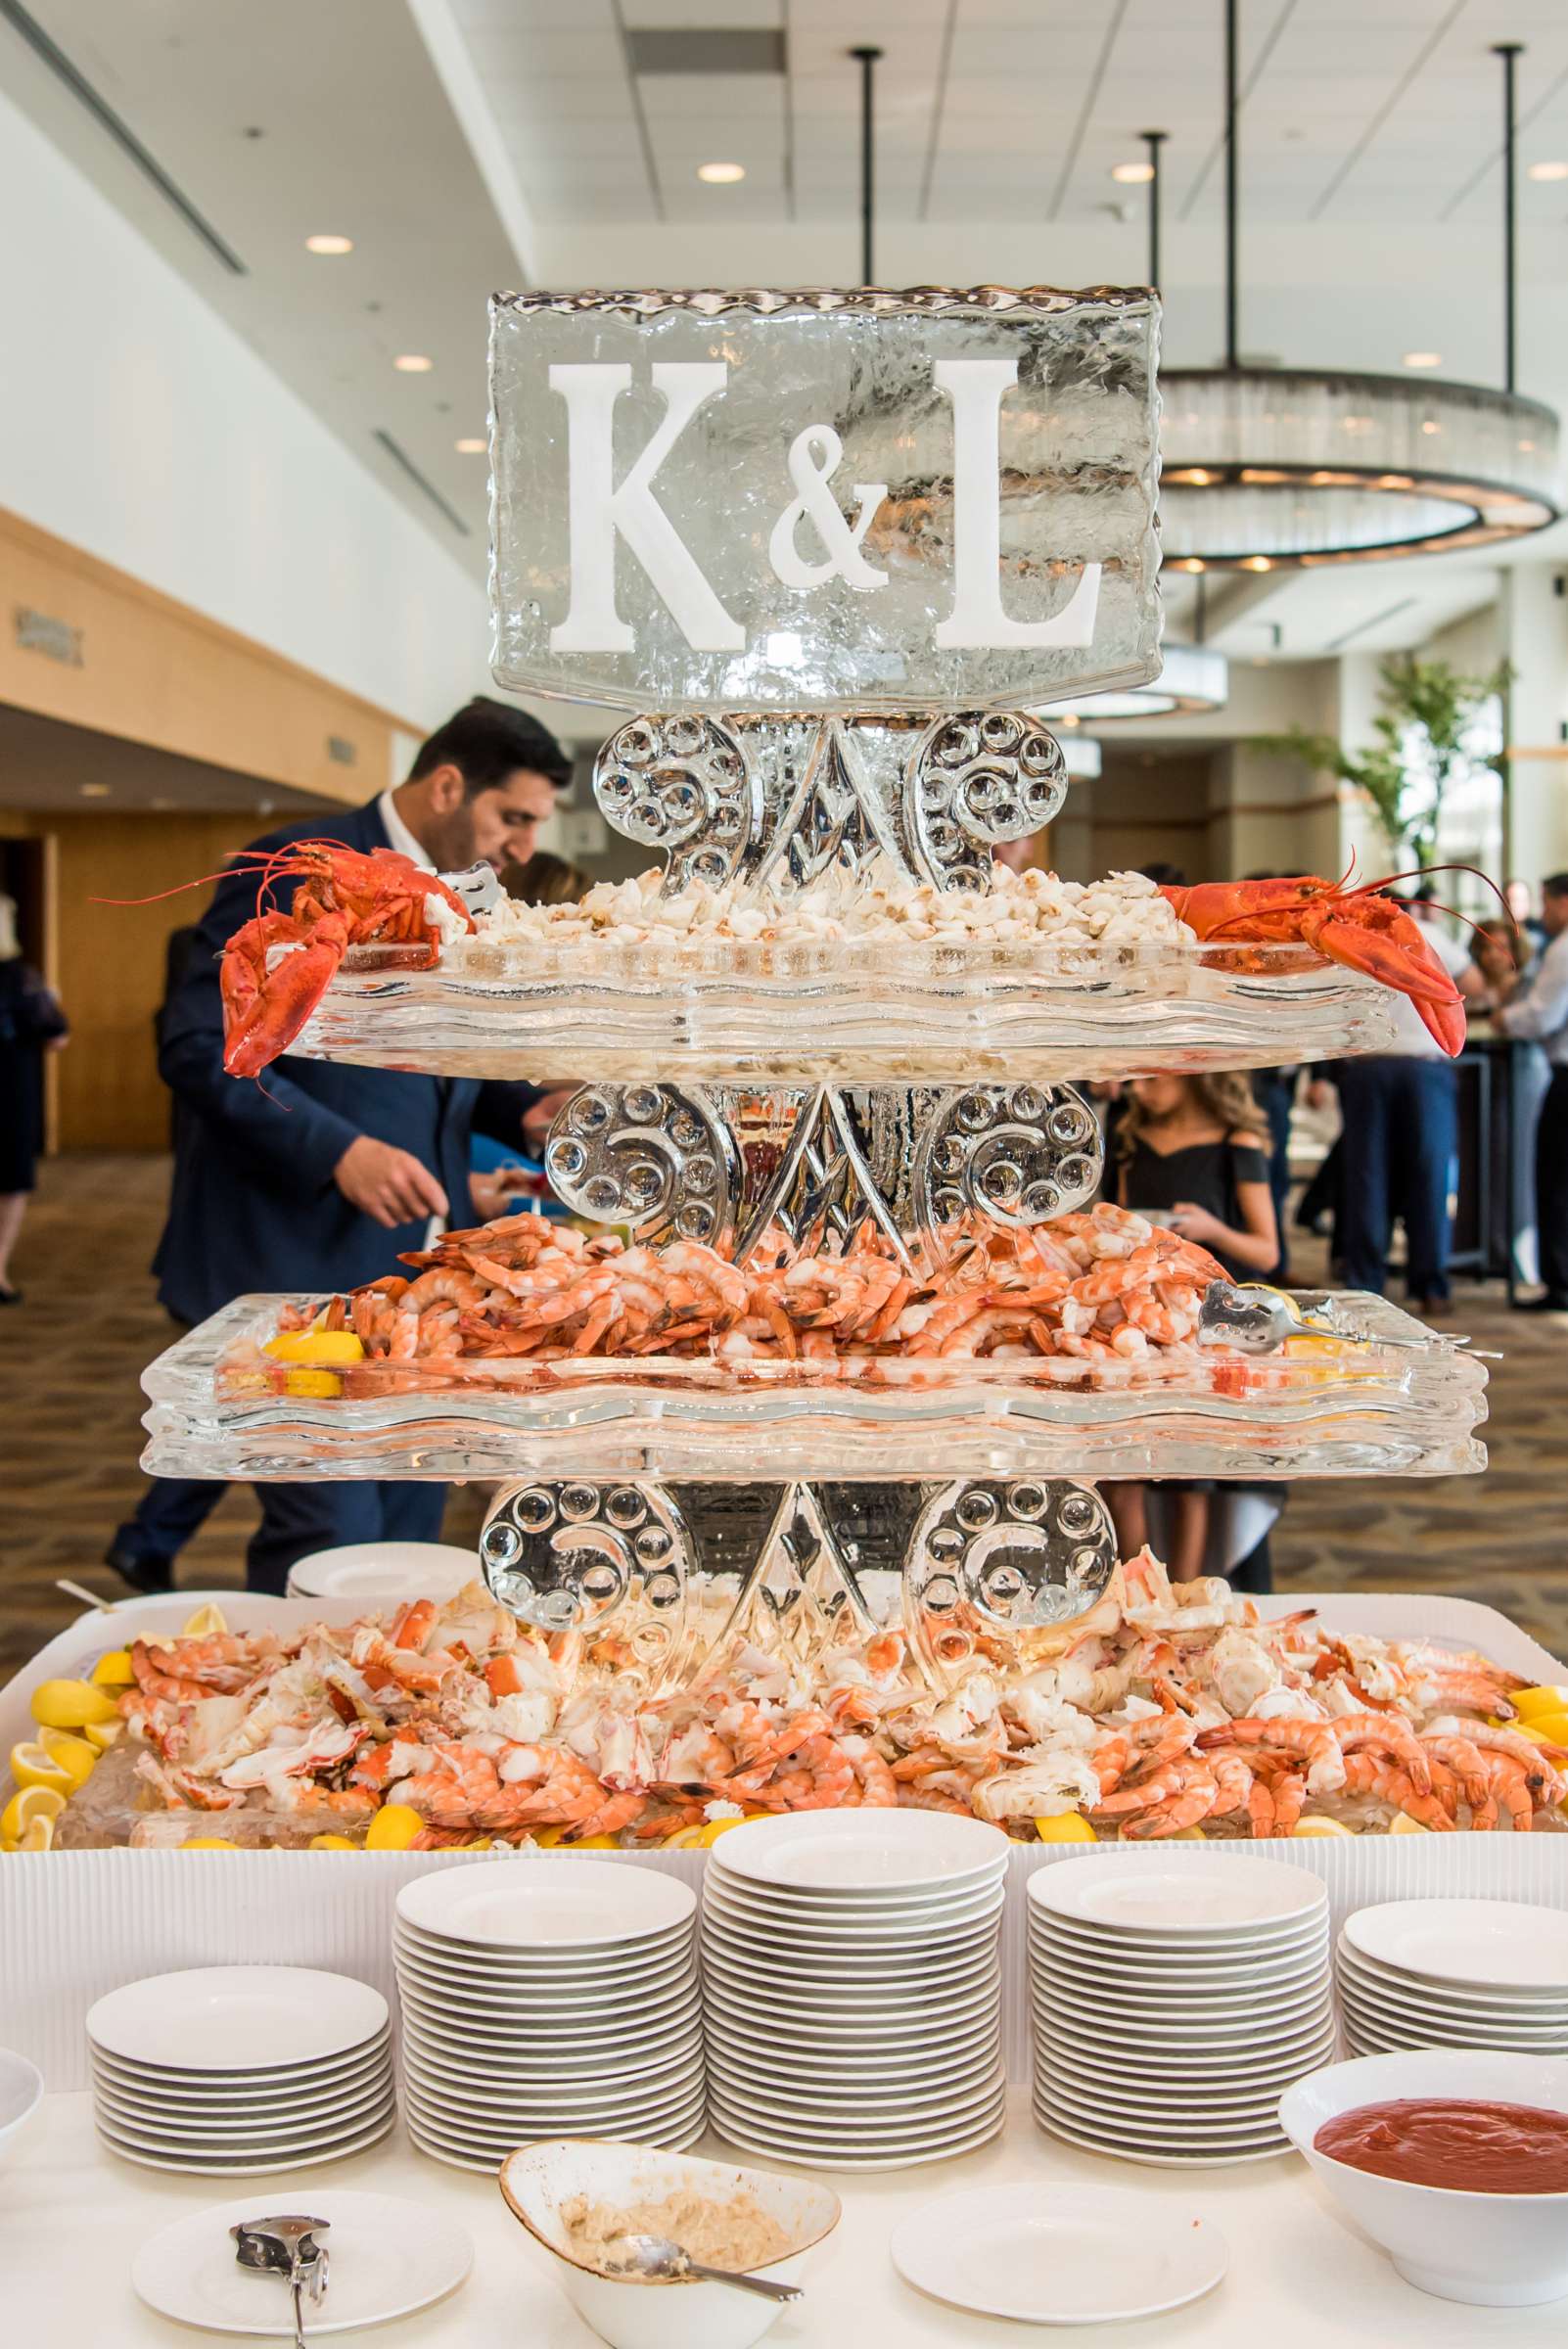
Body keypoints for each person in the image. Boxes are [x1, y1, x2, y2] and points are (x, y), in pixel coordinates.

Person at [114, 696, 575, 1594]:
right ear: (448, 785)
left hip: (412, 1283)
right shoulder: (291, 866)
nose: (522, 845)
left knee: (411, 1536)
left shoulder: (466, 891)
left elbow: (433, 1066)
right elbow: (203, 1047)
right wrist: (338, 1150)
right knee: (330, 1545)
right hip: (286, 1260)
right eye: (511, 817)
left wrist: (522, 1108)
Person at [1105, 1071, 1279, 1583]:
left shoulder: (1236, 1142)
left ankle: (1187, 1591)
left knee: (1191, 1470)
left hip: (1213, 1320)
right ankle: (1135, 1589)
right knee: (1127, 1464)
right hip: (1143, 1316)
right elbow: (1119, 1221)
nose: (1136, 1088)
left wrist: (1211, 1230)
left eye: (1151, 1076)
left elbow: (1267, 1251)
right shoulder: (1130, 1139)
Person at [1332, 889, 1468, 1314]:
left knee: (1367, 1175)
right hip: (1423, 1066)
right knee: (1429, 1175)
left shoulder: (1348, 937)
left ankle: (1366, 1282)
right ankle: (1431, 1284)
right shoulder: (1430, 934)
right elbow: (1477, 986)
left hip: (1367, 1065)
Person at [1494, 871, 1568, 1313]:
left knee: (1556, 1181)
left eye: (1548, 903)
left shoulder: (1562, 949)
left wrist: (1504, 1019)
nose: (1543, 914)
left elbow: (1543, 1016)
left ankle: (1559, 1282)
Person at [0, 891, 68, 1303]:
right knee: (8, 1183)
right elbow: (57, 1035)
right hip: (9, 1089)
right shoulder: (20, 978)